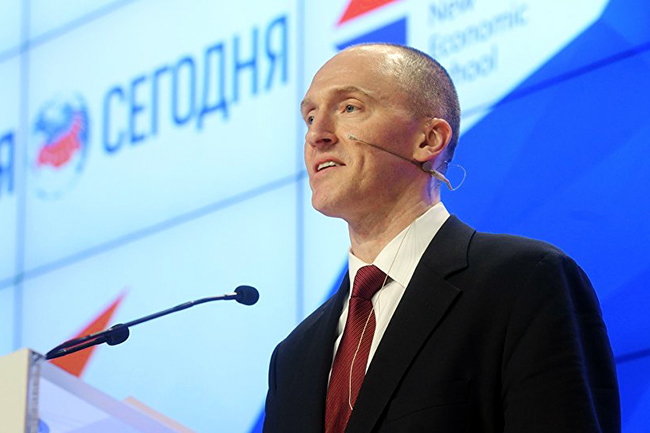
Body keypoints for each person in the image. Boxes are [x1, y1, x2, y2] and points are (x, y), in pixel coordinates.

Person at [263, 43, 620, 432]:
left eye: (349, 107)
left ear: (429, 139)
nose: (316, 135)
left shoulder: (524, 282)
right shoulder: (293, 357)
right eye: (310, 117)